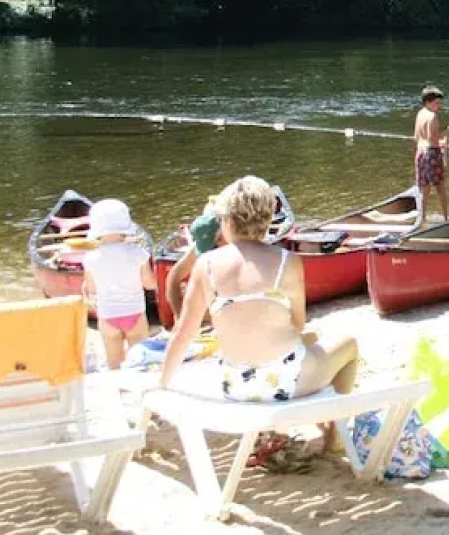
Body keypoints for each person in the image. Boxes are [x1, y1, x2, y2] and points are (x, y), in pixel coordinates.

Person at [160, 176, 360, 414]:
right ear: (268, 220)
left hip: (235, 384)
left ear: (225, 221)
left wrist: (161, 385)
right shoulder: (288, 262)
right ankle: (334, 438)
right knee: (349, 345)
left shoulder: (206, 265)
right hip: (286, 381)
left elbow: (184, 333)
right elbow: (297, 324)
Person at [81, 198, 154, 370]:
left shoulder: (90, 258)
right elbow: (150, 284)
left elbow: (91, 289)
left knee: (115, 366)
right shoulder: (138, 253)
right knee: (139, 364)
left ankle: (119, 393)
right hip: (135, 314)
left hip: (107, 317)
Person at [163, 194, 224, 331]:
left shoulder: (245, 248)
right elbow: (174, 277)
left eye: (213, 248)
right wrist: (180, 317)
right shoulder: (200, 246)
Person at [413, 86, 449, 220]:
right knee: (440, 187)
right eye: (437, 103)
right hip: (432, 153)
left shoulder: (420, 114)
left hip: (420, 152)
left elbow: (417, 137)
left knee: (424, 189)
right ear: (427, 102)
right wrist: (447, 135)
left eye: (440, 103)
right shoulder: (432, 116)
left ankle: (422, 218)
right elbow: (433, 139)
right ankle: (447, 218)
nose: (439, 106)